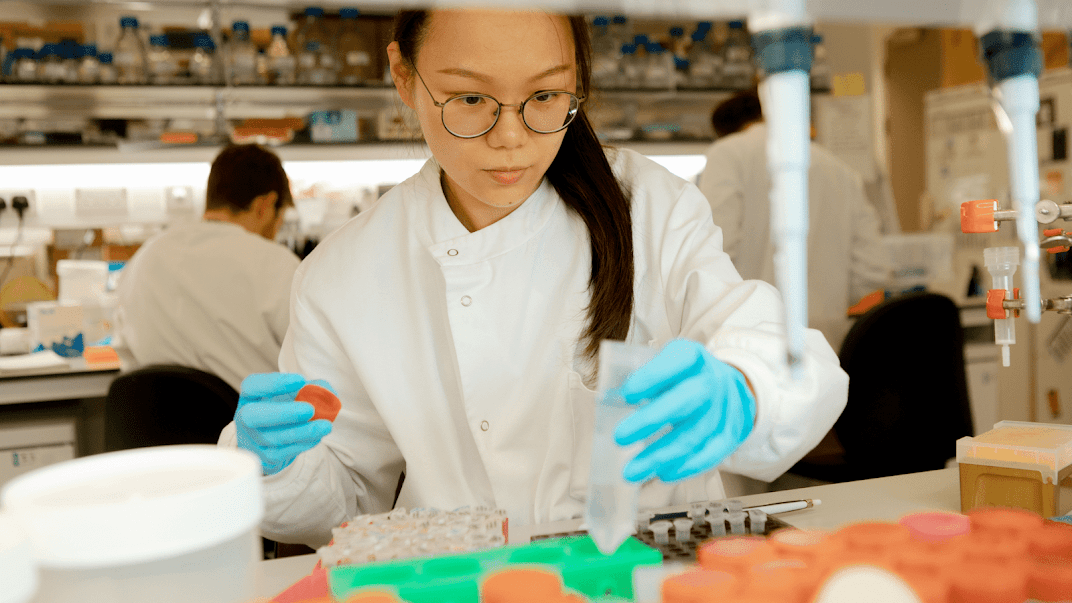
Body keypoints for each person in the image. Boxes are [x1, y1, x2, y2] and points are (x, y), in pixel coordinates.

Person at [219, 9, 849, 548]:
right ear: (404, 76)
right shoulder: (344, 274)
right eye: (470, 99)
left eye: (545, 97)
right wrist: (279, 467)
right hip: (464, 581)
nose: (512, 138)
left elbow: (785, 353)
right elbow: (346, 497)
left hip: (652, 574)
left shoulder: (652, 206)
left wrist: (744, 388)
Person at [698, 89, 890, 349]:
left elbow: (714, 252)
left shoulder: (728, 153)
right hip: (824, 344)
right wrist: (824, 301)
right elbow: (873, 269)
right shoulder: (841, 170)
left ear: (723, 131)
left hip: (749, 340)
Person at [115, 144, 299, 392]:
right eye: (281, 218)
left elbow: (127, 358)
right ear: (265, 206)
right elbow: (313, 359)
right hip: (250, 428)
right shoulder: (276, 264)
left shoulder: (144, 258)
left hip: (155, 426)